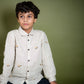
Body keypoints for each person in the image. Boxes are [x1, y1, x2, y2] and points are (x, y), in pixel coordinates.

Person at [1, 1, 57, 84]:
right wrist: (3, 81)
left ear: (35, 19)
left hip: (36, 79)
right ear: (18, 19)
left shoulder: (41, 35)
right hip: (15, 80)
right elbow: (8, 59)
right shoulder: (12, 35)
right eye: (21, 16)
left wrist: (52, 79)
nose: (25, 20)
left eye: (29, 16)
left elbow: (47, 58)